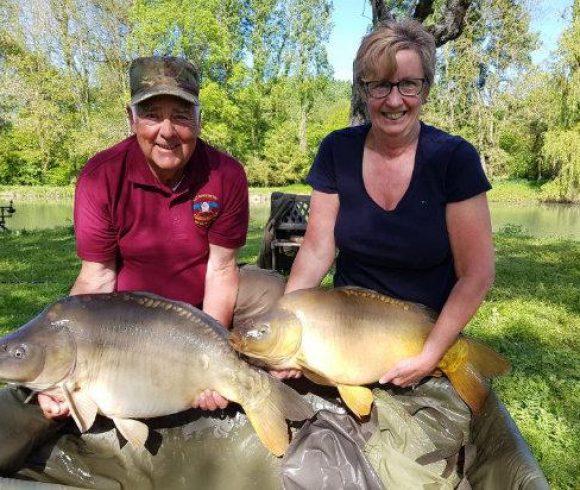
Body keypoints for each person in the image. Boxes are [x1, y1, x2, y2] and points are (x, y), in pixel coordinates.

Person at [281, 20, 495, 389]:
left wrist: (430, 356)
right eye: (380, 84)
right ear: (363, 89)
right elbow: (317, 249)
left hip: (423, 332)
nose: (394, 100)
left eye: (408, 84)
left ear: (425, 90)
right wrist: (286, 321)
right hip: (346, 328)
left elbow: (475, 275)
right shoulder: (337, 150)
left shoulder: (454, 158)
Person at [39, 56, 249, 417]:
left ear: (199, 119)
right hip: (131, 321)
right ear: (131, 118)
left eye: (181, 115)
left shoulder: (226, 173)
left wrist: (212, 355)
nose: (167, 131)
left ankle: (272, 376)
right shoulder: (99, 176)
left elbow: (221, 270)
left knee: (272, 294)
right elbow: (98, 275)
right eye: (152, 114)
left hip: (201, 308)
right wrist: (58, 366)